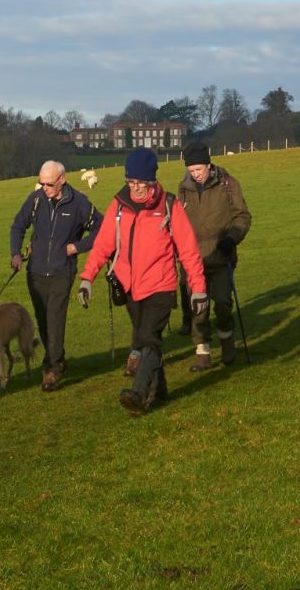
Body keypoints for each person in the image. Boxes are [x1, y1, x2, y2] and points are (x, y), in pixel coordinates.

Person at [78, 148, 208, 416]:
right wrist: (87, 278)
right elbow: (103, 244)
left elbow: (189, 251)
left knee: (148, 339)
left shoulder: (169, 206)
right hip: (129, 287)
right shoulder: (119, 205)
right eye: (131, 182)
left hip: (160, 285)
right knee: (148, 338)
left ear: (152, 181)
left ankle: (138, 393)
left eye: (141, 183)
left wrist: (198, 290)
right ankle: (159, 392)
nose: (135, 188)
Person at [8, 160, 102, 391]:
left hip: (62, 270)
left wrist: (78, 247)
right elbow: (18, 225)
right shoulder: (36, 199)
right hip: (36, 272)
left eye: (49, 184)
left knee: (55, 320)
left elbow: (102, 227)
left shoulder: (79, 203)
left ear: (62, 179)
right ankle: (57, 359)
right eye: (42, 183)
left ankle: (51, 370)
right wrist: (16, 254)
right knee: (43, 321)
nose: (45, 188)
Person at [175, 144, 251, 370]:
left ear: (208, 165)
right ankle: (203, 353)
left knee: (223, 303)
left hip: (221, 255)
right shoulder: (183, 188)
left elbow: (242, 216)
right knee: (198, 307)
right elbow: (179, 221)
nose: (195, 174)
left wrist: (232, 238)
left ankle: (227, 341)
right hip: (193, 259)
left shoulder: (228, 185)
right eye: (191, 170)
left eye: (198, 169)